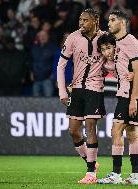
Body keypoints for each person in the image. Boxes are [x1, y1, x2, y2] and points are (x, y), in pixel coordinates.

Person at [98, 33, 138, 184]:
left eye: (109, 48)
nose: (106, 52)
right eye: (103, 49)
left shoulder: (129, 56)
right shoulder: (109, 63)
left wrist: (135, 76)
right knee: (135, 132)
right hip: (133, 96)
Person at [57, 9, 106, 184]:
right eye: (80, 20)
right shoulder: (73, 37)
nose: (81, 23)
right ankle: (91, 162)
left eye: (85, 20)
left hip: (95, 88)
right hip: (76, 89)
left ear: (95, 21)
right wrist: (63, 91)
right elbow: (61, 65)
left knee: (90, 127)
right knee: (73, 131)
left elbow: (122, 52)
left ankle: (91, 173)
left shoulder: (106, 38)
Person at [97, 10, 138, 185]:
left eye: (112, 20)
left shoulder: (130, 41)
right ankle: (135, 176)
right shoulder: (117, 42)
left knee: (116, 130)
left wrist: (133, 100)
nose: (108, 23)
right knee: (132, 133)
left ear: (122, 23)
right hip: (127, 93)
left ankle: (116, 174)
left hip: (130, 95)